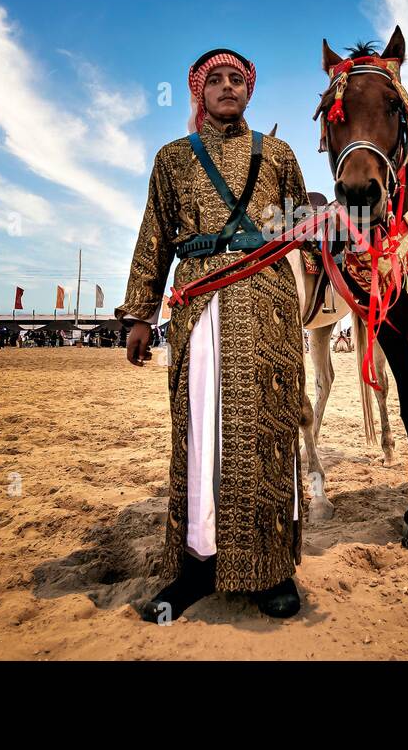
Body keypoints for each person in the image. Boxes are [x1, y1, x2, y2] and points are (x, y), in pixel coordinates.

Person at [118, 47, 309, 623]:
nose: (228, 88)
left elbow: (299, 227)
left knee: (270, 428)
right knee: (201, 431)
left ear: (250, 91)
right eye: (216, 80)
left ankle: (274, 569)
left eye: (238, 80)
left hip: (269, 301)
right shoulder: (172, 159)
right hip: (199, 300)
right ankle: (197, 566)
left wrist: (341, 224)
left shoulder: (278, 154)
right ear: (198, 91)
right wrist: (137, 315)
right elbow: (154, 234)